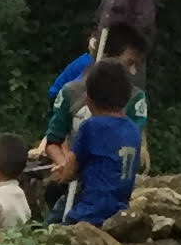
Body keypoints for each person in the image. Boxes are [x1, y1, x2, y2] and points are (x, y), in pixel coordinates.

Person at [45, 58, 144, 229]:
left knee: (49, 226)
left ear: (88, 99)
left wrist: (61, 176)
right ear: (127, 97)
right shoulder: (134, 130)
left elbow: (72, 168)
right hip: (119, 210)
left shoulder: (90, 127)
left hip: (89, 211)